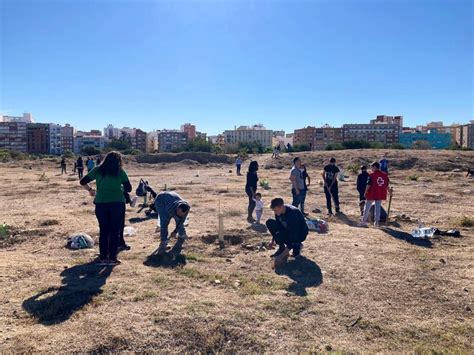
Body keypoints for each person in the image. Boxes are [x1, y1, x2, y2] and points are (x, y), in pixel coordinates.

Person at [79, 151, 132, 266]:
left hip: (101, 204)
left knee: (103, 230)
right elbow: (129, 188)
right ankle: (112, 258)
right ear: (119, 161)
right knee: (115, 231)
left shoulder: (98, 170)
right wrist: (119, 187)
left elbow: (82, 181)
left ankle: (103, 257)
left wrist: (90, 190)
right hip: (117, 203)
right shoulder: (120, 171)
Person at [266, 198, 309, 268]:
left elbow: (294, 234)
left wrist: (281, 256)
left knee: (295, 254)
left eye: (276, 210)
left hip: (300, 233)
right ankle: (281, 248)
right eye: (274, 210)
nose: (275, 212)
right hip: (288, 230)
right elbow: (279, 227)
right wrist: (273, 240)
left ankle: (297, 245)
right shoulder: (278, 212)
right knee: (270, 222)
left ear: (281, 206)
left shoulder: (293, 213)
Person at [360, 161, 391, 228]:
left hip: (372, 193)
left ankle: (363, 222)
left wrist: (365, 192)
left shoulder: (371, 175)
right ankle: (376, 223)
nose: (371, 168)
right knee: (377, 208)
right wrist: (389, 192)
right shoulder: (384, 175)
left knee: (367, 207)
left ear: (375, 167)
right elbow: (387, 185)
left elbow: (368, 185)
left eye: (372, 166)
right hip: (380, 193)